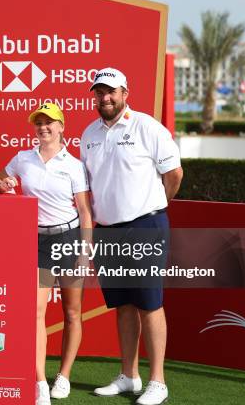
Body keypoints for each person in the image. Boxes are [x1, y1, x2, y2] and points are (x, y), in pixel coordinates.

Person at [80, 68, 183, 405]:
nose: (105, 98)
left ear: (125, 92)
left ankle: (158, 382)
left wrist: (156, 205)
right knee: (123, 306)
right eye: (99, 92)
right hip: (108, 229)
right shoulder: (90, 134)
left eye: (111, 91)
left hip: (146, 226)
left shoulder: (147, 126)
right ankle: (129, 375)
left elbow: (174, 173)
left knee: (149, 305)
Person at [0, 103, 93, 405]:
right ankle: (39, 380)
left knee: (72, 312)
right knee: (35, 313)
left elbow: (84, 211)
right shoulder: (23, 158)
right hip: (35, 240)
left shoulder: (74, 164)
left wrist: (85, 250)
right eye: (39, 123)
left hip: (68, 238)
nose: (44, 127)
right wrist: (5, 183)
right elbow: (1, 178)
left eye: (50, 122)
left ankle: (63, 375)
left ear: (62, 127)